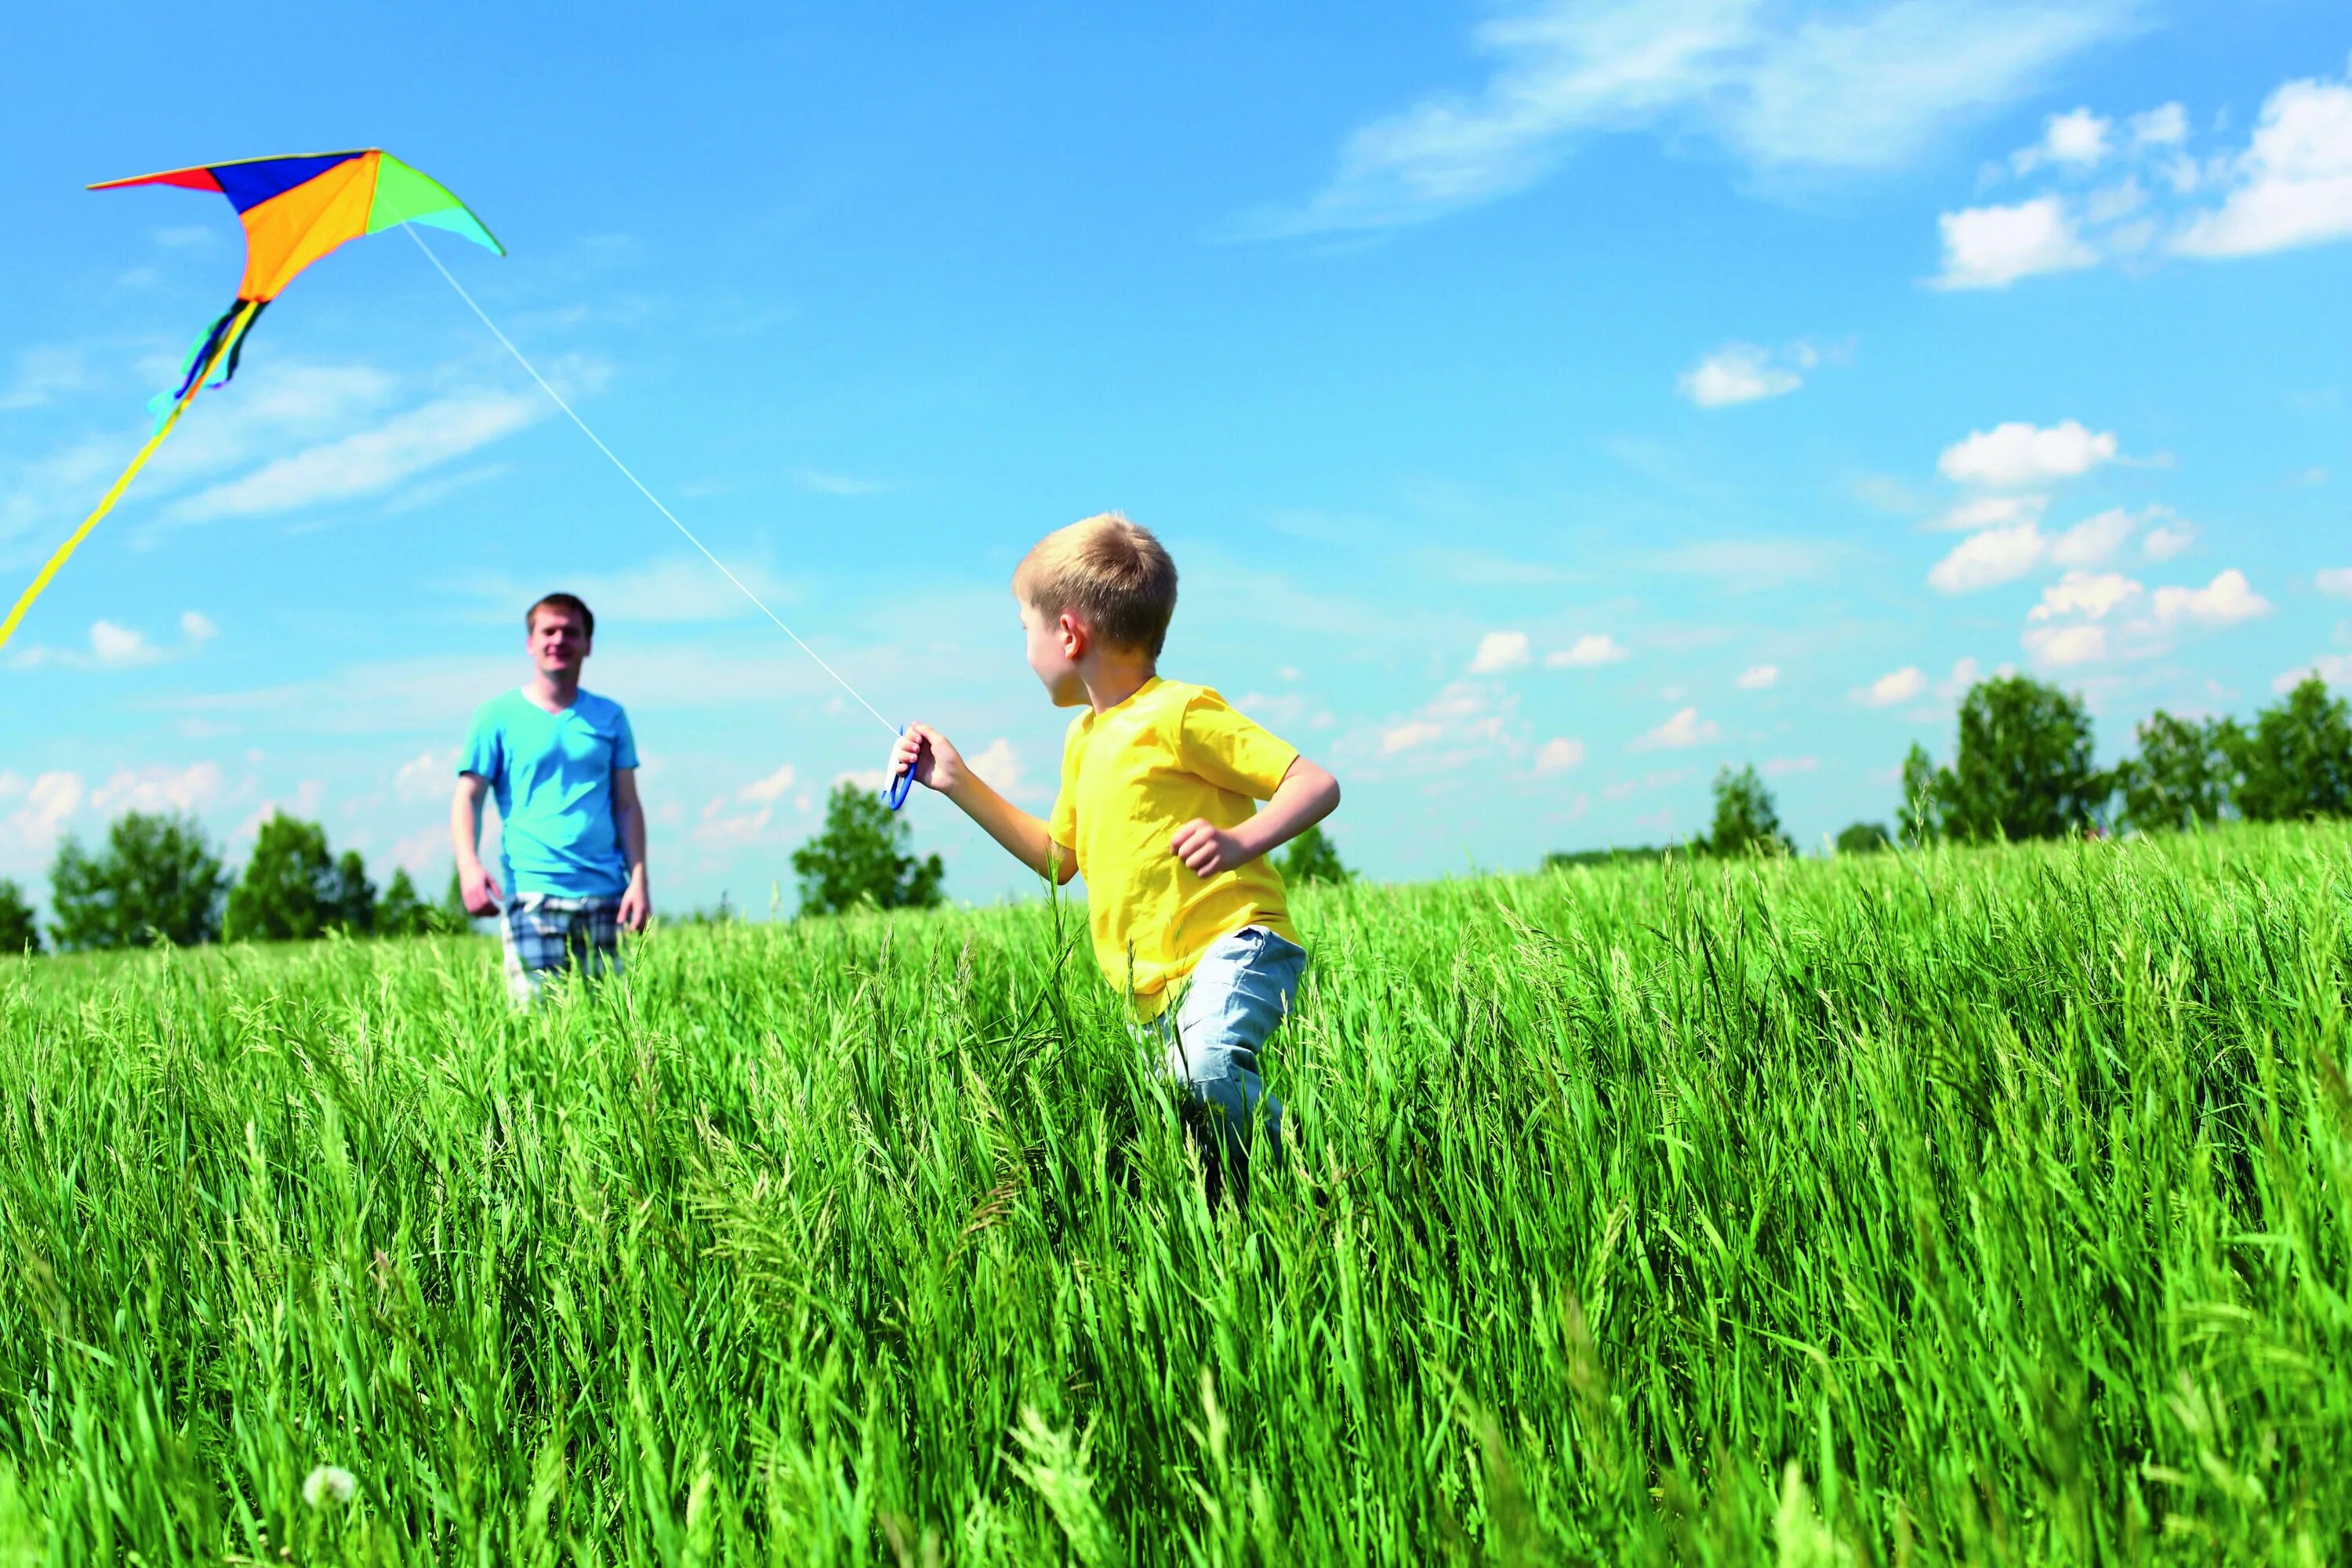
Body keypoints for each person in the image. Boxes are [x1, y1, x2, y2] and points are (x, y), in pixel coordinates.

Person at [890, 513, 1340, 1185]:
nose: (1025, 651)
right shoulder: (1084, 739)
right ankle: (1254, 1214)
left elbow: (1315, 783)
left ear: (1068, 634)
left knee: (1206, 1068)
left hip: (1235, 944)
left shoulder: (1180, 712)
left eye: (1025, 631)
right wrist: (957, 782)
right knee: (1193, 1132)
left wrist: (1240, 840)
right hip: (1149, 991)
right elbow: (1056, 859)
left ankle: (1314, 1182)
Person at [452, 592, 650, 1004]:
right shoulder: (495, 716)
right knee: (537, 1030)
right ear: (530, 642)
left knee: (610, 1027)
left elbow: (627, 805)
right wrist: (469, 867)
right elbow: (468, 797)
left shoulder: (610, 717)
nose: (559, 640)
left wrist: (639, 880)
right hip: (532, 894)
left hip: (607, 895)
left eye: (571, 632)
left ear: (588, 645)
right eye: (549, 631)